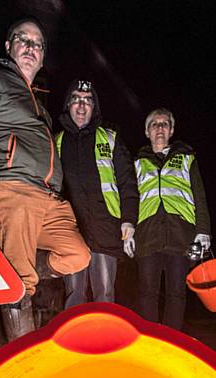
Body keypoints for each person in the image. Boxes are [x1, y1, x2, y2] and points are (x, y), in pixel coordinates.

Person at [0, 17, 90, 339]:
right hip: (14, 190)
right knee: (21, 286)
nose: (31, 47)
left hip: (48, 198)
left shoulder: (37, 103)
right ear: (9, 47)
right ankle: (25, 366)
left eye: (38, 44)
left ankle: (4, 273)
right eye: (23, 39)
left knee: (78, 256)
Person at [55, 80, 138, 307]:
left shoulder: (110, 138)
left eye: (88, 101)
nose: (81, 106)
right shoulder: (57, 142)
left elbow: (128, 182)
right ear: (68, 104)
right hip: (71, 232)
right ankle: (72, 342)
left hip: (106, 228)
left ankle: (106, 342)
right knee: (74, 297)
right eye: (76, 100)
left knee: (105, 296)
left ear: (94, 107)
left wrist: (129, 221)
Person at [134, 108, 211, 330]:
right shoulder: (137, 162)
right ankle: (150, 342)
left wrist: (203, 231)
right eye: (154, 124)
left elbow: (199, 195)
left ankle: (172, 341)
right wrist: (126, 231)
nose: (159, 127)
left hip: (181, 235)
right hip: (147, 235)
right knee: (147, 292)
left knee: (176, 292)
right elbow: (130, 197)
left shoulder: (186, 158)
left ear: (172, 130)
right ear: (147, 131)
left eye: (164, 124)